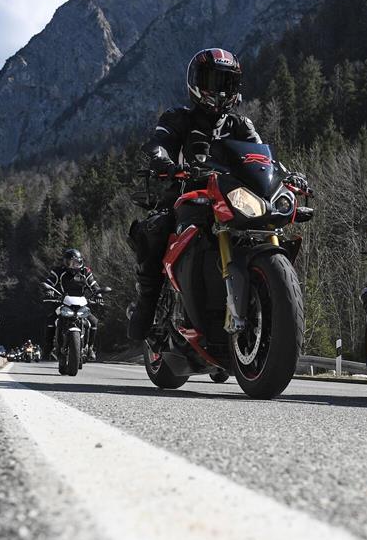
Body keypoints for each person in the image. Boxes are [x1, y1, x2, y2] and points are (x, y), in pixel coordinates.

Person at [127, 47, 309, 341]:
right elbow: (159, 143)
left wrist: (286, 177)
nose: (220, 91)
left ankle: (264, 301)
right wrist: (164, 162)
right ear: (197, 83)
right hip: (187, 196)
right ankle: (147, 303)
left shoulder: (241, 124)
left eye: (227, 83)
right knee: (156, 229)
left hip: (231, 199)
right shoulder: (178, 118)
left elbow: (265, 160)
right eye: (213, 81)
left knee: (270, 222)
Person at [43, 248, 102, 360]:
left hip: (81, 304)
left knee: (94, 322)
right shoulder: (58, 271)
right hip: (63, 303)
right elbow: (49, 282)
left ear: (81, 262)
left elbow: (94, 284)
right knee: (50, 321)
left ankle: (90, 348)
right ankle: (48, 348)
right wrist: (48, 290)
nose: (72, 266)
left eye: (76, 263)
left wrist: (98, 294)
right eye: (69, 263)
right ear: (65, 262)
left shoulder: (86, 272)